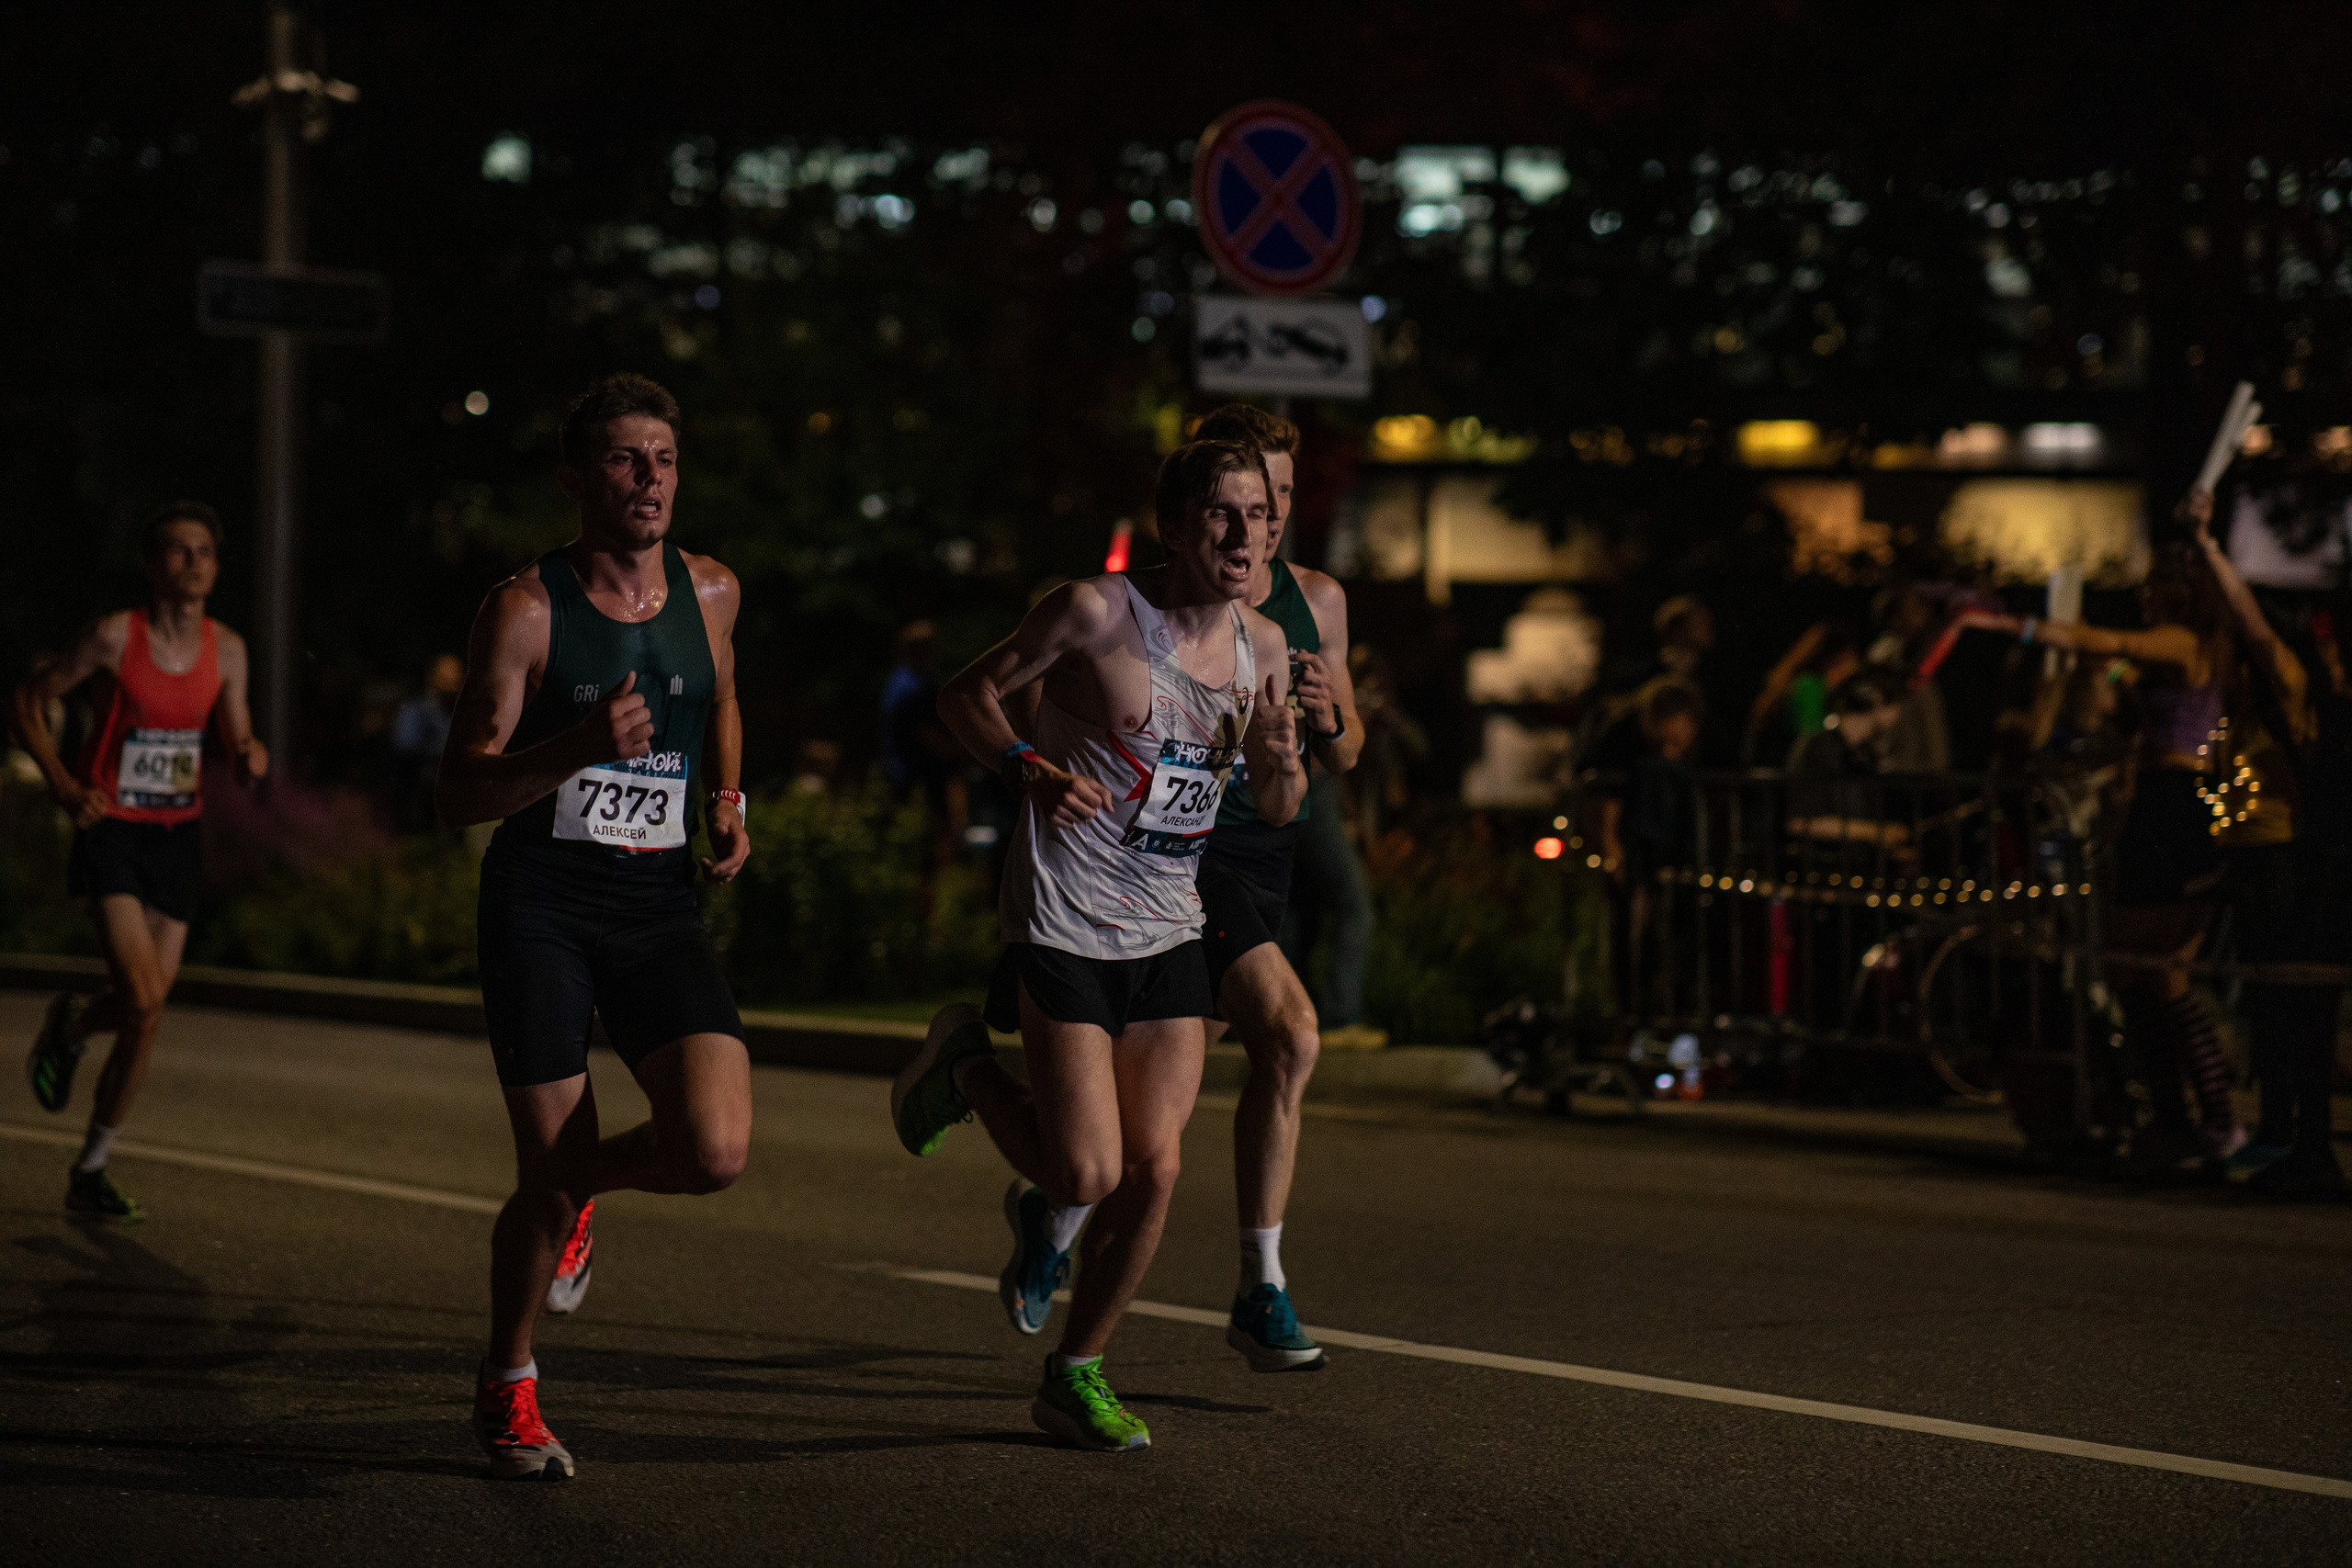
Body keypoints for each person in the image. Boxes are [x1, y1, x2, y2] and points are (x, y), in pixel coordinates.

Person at [892, 438, 1304, 1451]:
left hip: (1170, 926)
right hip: (1067, 919)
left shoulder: (1265, 649)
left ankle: (1075, 1372)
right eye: (1220, 514)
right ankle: (968, 1069)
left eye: (1257, 514)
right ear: (1173, 526)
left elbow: (1279, 803)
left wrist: (1287, 760)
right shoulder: (1098, 612)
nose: (1245, 533)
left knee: (1153, 1172)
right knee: (1085, 1174)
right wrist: (1028, 765)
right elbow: (964, 698)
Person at [435, 374, 752, 1480]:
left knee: (715, 1149)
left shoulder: (711, 591)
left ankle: (582, 1196)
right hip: (544, 911)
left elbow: (717, 699)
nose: (651, 479)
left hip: (656, 905)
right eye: (625, 460)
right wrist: (570, 748)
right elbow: (458, 791)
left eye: (664, 457)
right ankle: (507, 1384)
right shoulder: (524, 609)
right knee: (550, 1166)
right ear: (577, 478)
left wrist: (729, 800)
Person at [12, 500, 269, 1223]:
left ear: (217, 569)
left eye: (205, 552)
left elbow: (237, 732)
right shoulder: (109, 638)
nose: (194, 563)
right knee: (147, 997)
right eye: (179, 551)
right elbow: (26, 702)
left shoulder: (231, 648)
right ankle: (74, 1063)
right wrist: (66, 789)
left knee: (142, 1015)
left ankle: (89, 1156)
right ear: (153, 566)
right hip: (113, 831)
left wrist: (250, 754)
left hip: (175, 837)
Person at [1961, 547, 2248, 1169]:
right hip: (2151, 803)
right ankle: (2168, 1119)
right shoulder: (2161, 652)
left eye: (2157, 587)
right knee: (2127, 972)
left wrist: (2022, 626)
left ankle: (2221, 1120)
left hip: (2179, 804)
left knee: (2165, 973)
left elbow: (2113, 642)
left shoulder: (2185, 640)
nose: (2147, 597)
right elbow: (2111, 670)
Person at [1185, 402, 1363, 1372]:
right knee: (1291, 1036)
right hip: (1170, 856)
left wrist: (1333, 719)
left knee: (1150, 1114)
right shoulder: (1158, 601)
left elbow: (1349, 748)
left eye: (1285, 496)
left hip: (1262, 858)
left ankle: (1054, 1195)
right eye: (1254, 498)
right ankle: (1261, 1286)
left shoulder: (1317, 601)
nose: (1269, 519)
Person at [2182, 487, 2334, 1188]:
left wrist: (2209, 545)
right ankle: (2279, 1131)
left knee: (2288, 1001)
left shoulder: (2288, 684)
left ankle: (2301, 1138)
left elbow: (2254, 628)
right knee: (2263, 1002)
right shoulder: (2239, 711)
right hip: (2249, 860)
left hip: (2285, 861)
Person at [390, 653, 464, 830]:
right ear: (433, 679)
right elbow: (405, 744)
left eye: (456, 679)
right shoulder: (417, 709)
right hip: (424, 780)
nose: (452, 685)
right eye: (445, 679)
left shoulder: (460, 712)